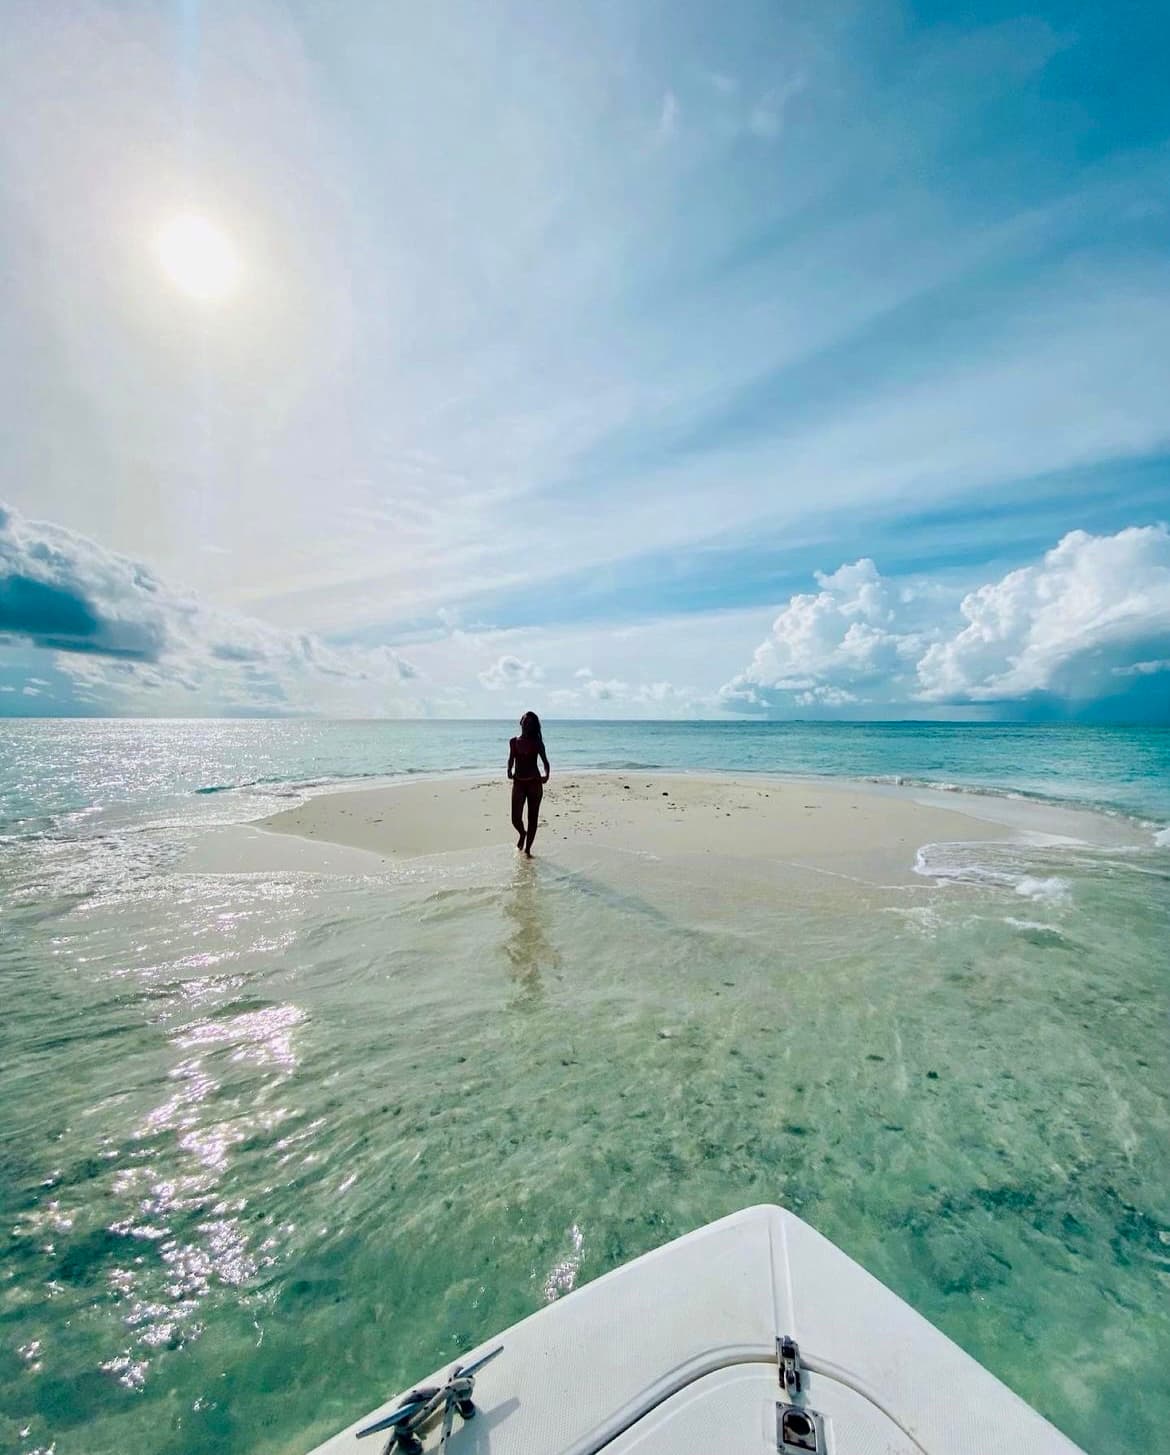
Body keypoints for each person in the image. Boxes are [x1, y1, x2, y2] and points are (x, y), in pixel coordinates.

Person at [507, 711, 550, 857]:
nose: (527, 724)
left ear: (533, 726)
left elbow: (545, 762)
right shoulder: (513, 741)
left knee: (533, 818)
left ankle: (528, 850)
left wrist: (546, 775)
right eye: (525, 721)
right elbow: (511, 759)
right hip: (518, 783)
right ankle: (522, 833)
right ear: (521, 722)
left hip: (534, 784)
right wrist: (508, 770)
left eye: (530, 723)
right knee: (515, 818)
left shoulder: (537, 743)